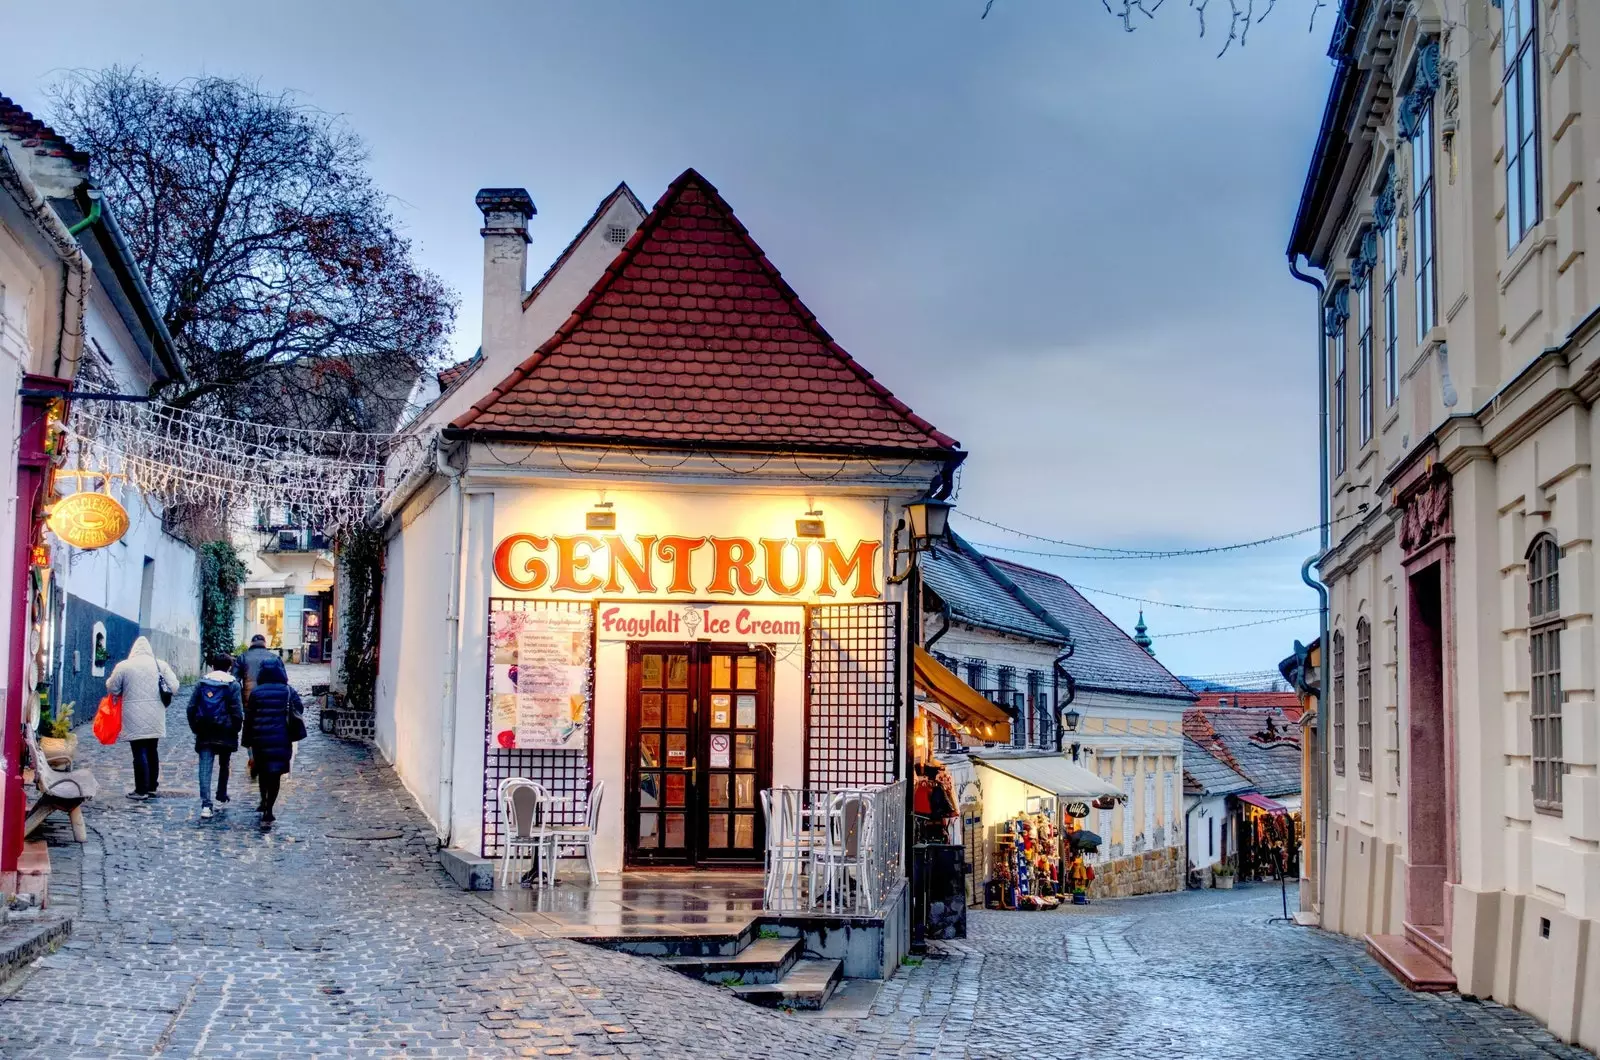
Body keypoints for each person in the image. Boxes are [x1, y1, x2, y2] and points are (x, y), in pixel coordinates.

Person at [105, 636, 180, 800]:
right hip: (156, 714)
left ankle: (141, 790)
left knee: (138, 751)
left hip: (133, 714)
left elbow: (112, 687)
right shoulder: (160, 664)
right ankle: (152, 786)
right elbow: (174, 686)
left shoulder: (124, 666)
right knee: (152, 749)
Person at [241, 655, 303, 832]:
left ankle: (263, 800)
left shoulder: (256, 692)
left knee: (262, 772)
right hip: (281, 738)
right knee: (275, 775)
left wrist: (247, 741)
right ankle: (269, 809)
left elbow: (249, 719)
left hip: (260, 739)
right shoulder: (288, 690)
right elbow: (299, 708)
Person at [187, 652, 243, 819]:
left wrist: (195, 728)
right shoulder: (233, 685)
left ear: (212, 666)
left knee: (205, 767)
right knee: (224, 763)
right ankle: (221, 792)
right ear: (229, 667)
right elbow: (237, 711)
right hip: (226, 730)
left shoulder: (202, 683)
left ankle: (206, 804)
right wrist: (236, 729)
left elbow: (191, 708)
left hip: (205, 730)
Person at [232, 634, 279, 704]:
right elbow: (283, 680)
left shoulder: (243, 657)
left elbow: (235, 680)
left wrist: (241, 696)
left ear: (251, 643)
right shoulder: (275, 657)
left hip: (249, 699)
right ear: (265, 644)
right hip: (270, 699)